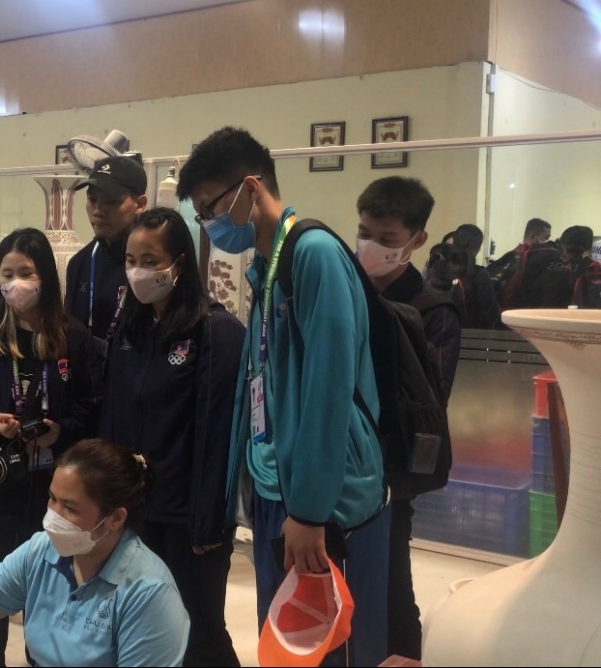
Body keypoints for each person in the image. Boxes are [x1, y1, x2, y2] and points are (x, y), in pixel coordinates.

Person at [177, 127, 390, 667]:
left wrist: (311, 511)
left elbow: (328, 393)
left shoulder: (312, 254)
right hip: (281, 490)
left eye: (212, 209)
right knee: (284, 642)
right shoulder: (266, 265)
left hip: (320, 502)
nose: (211, 225)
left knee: (324, 645)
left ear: (251, 188)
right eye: (202, 216)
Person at [0, 227, 102, 667]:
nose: (15, 283)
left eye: (26, 272)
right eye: (6, 273)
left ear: (46, 276)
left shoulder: (73, 337)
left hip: (56, 489)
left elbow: (92, 405)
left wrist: (61, 430)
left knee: (51, 589)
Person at [97, 207, 245, 667]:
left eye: (150, 259)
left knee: (199, 627)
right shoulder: (129, 330)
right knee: (145, 623)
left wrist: (207, 518)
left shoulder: (215, 331)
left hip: (189, 517)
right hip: (137, 510)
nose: (138, 270)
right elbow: (113, 416)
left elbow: (217, 435)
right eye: (131, 258)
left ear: (180, 263)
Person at [354, 176, 463, 660]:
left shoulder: (433, 311)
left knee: (392, 580)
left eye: (387, 239)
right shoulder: (347, 292)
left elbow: (431, 399)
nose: (371, 247)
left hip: (391, 470)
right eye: (363, 232)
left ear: (417, 240)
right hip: (342, 463)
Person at [0, 439, 189, 667]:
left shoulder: (149, 593)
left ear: (114, 518)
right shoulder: (41, 550)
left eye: (70, 508)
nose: (53, 516)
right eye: (53, 498)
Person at [65, 156, 148, 347]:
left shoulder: (155, 263)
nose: (98, 211)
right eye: (92, 199)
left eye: (111, 202)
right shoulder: (80, 263)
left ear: (140, 204)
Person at [431, 224, 499, 329]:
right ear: (478, 248)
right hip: (471, 338)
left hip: (437, 334)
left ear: (453, 242)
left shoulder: (437, 268)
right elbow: (489, 315)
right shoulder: (479, 274)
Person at [488, 218, 560, 311]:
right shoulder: (525, 256)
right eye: (546, 238)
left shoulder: (513, 254)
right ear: (533, 236)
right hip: (519, 307)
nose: (548, 242)